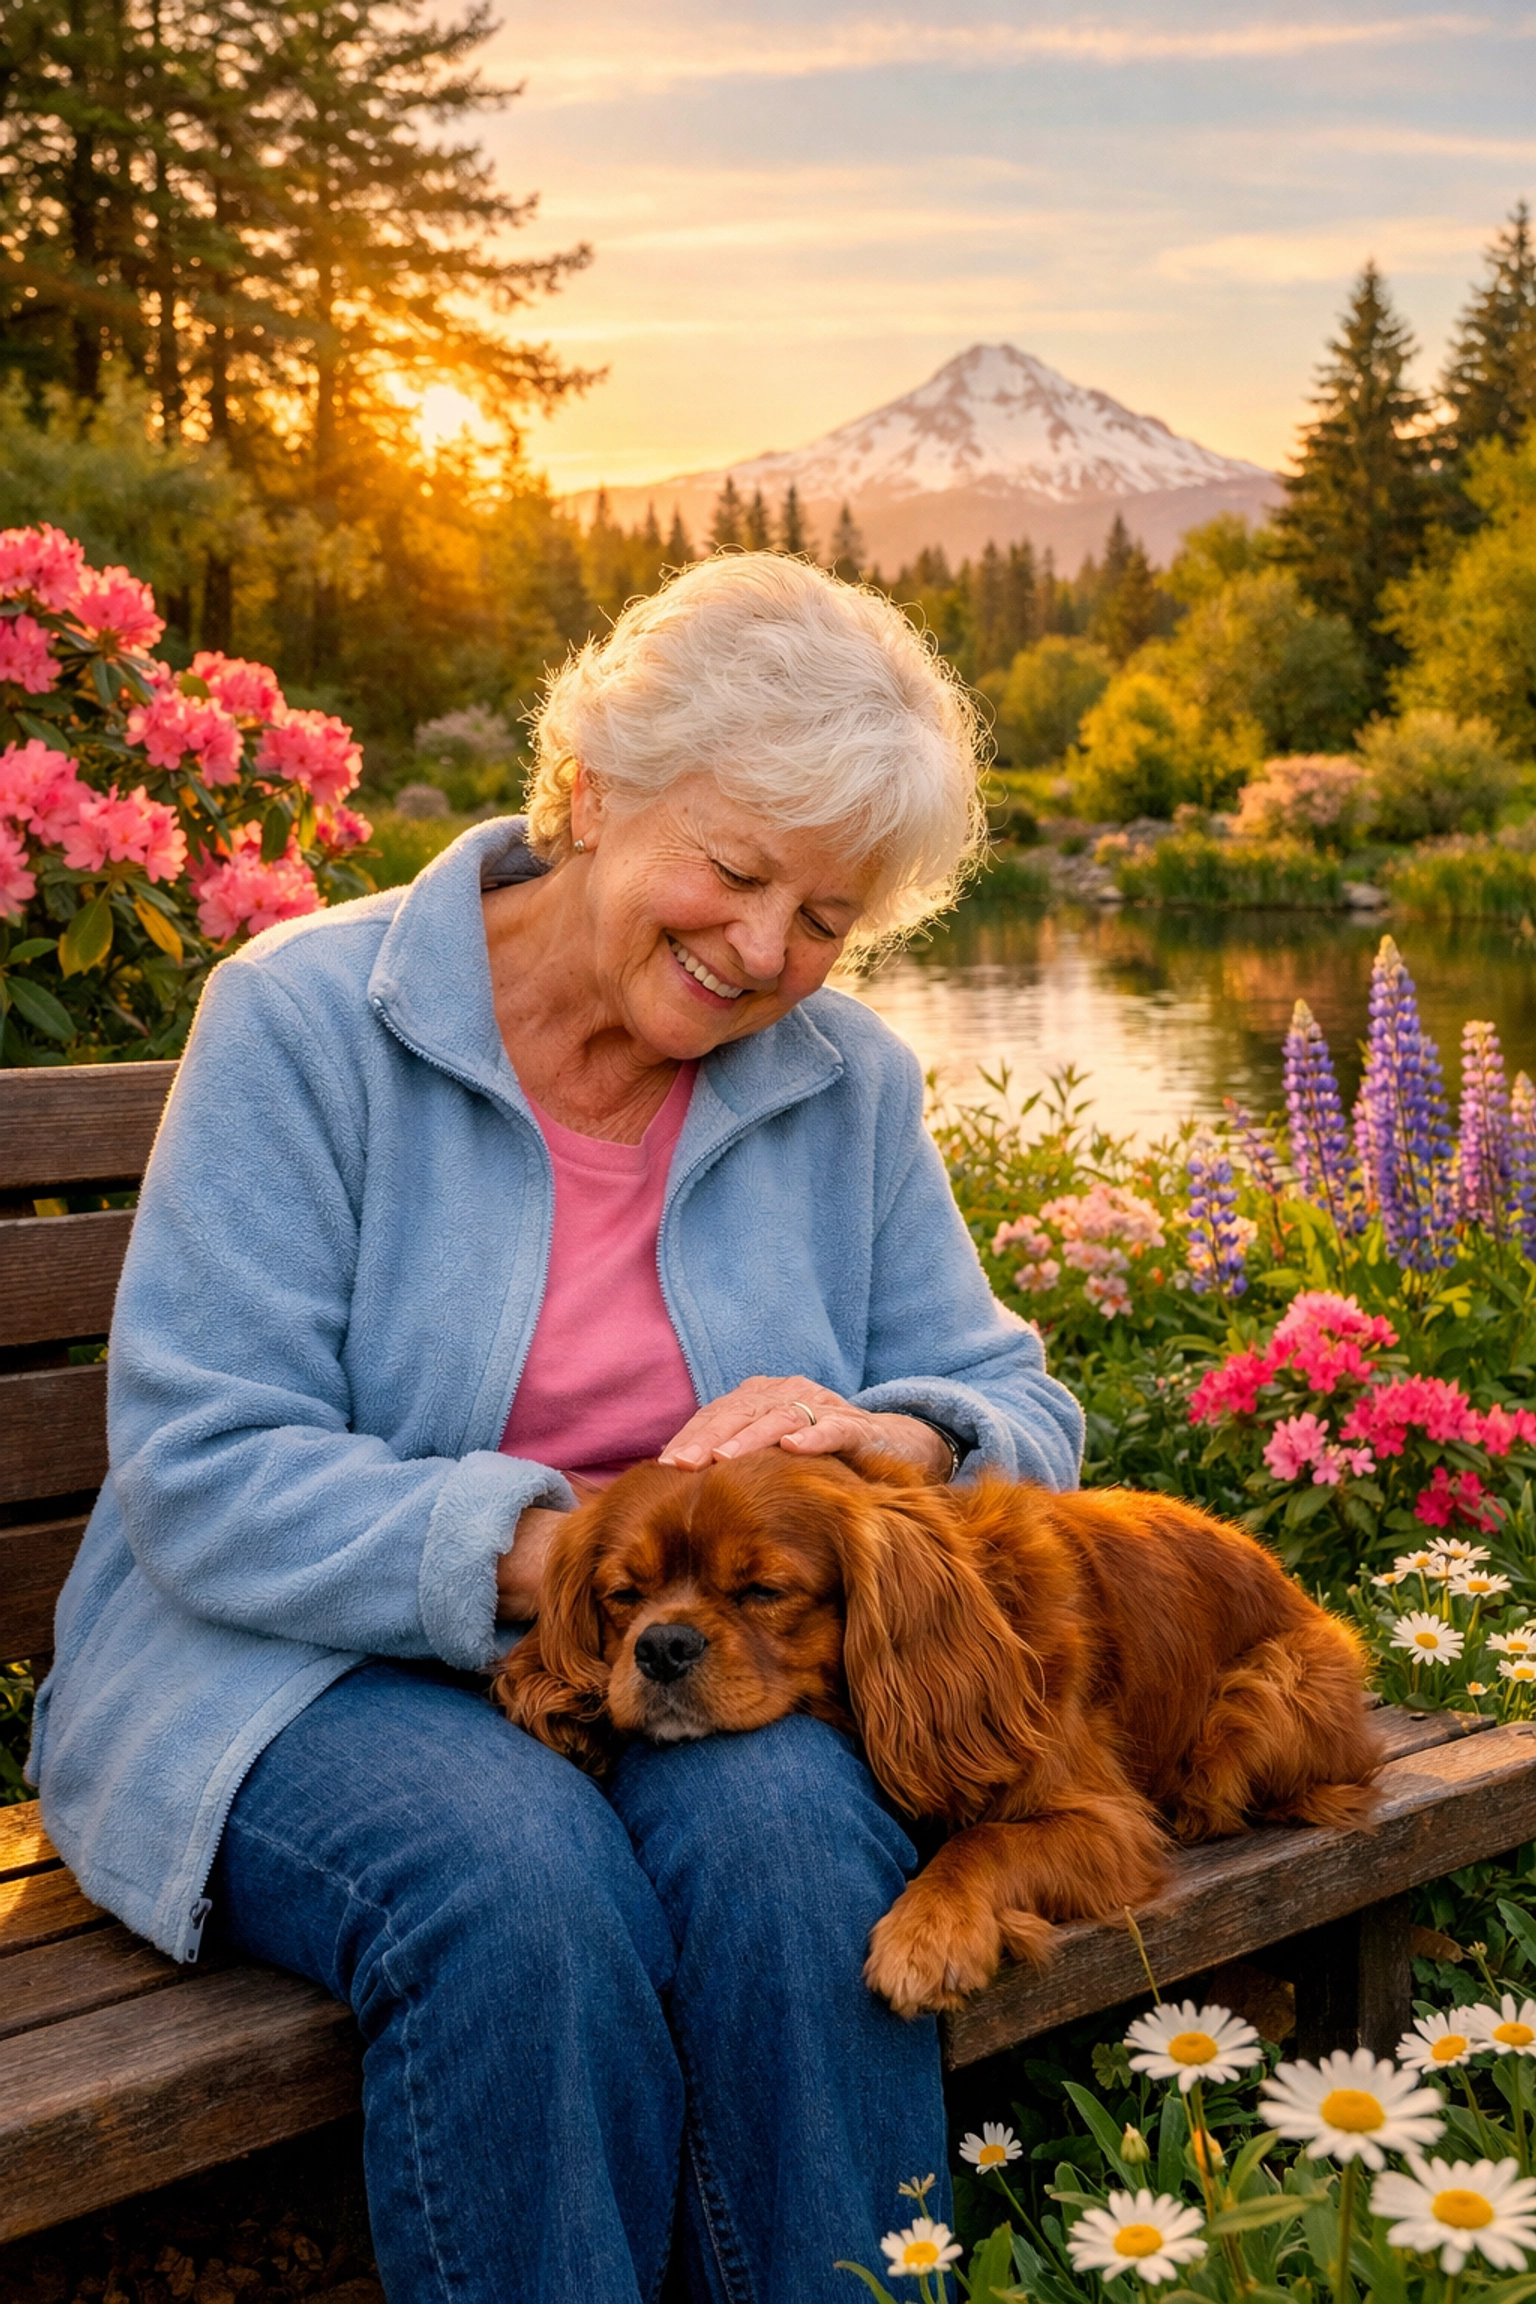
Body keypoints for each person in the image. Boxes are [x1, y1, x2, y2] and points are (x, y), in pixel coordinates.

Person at [30, 553, 1083, 2304]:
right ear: (589, 788)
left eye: (825, 918)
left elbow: (1020, 1411)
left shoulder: (849, 1084)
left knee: (799, 1859)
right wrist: (561, 1566)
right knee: (517, 1883)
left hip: (675, 1662)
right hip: (283, 1671)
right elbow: (206, 1475)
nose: (766, 953)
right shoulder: (307, 1022)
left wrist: (901, 1442)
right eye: (736, 870)